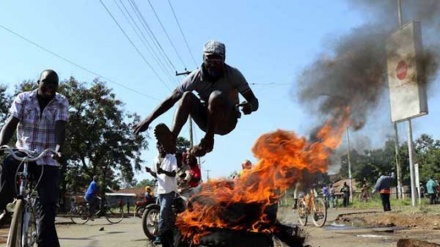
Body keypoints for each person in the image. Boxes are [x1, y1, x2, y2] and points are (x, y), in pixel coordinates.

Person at [133, 40, 259, 157]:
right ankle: (172, 138)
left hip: (226, 121)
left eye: (217, 62)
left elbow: (254, 102)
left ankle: (208, 141)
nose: (213, 66)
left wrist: (250, 107)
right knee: (186, 96)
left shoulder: (234, 74)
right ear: (203, 59)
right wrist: (148, 120)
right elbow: (172, 98)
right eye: (209, 61)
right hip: (206, 120)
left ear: (224, 60)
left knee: (216, 96)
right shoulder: (195, 77)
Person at [0, 69, 68, 246]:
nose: (49, 88)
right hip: (23, 152)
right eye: (46, 83)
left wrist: (58, 149)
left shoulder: (61, 102)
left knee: (47, 208)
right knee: (7, 166)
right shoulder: (23, 99)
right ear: (38, 82)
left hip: (47, 157)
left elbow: (61, 127)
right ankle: (5, 210)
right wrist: (0, 144)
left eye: (53, 85)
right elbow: (11, 123)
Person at [145, 140, 178, 246]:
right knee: (167, 213)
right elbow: (156, 175)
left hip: (169, 190)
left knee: (163, 212)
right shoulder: (155, 159)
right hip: (160, 190)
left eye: (164, 145)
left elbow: (173, 174)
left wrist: (163, 171)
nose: (162, 147)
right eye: (160, 145)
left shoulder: (172, 158)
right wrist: (150, 171)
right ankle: (174, 229)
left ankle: (159, 235)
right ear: (157, 147)